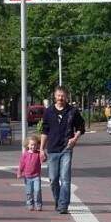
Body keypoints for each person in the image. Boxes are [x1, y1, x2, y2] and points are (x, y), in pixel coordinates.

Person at [40, 86, 85, 214]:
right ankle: (58, 200)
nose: (61, 98)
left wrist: (75, 138)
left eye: (63, 96)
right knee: (53, 179)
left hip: (66, 148)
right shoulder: (48, 112)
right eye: (59, 95)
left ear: (67, 97)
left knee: (65, 178)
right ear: (55, 96)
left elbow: (81, 127)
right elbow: (44, 131)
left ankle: (63, 205)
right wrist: (41, 149)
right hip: (52, 149)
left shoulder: (72, 111)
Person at [17, 135, 43, 211]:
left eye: (35, 145)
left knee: (37, 190)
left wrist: (43, 153)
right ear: (28, 145)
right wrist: (19, 172)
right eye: (31, 145)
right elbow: (22, 164)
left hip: (36, 176)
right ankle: (30, 203)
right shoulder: (25, 154)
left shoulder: (38, 153)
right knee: (29, 191)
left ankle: (38, 204)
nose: (33, 146)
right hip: (27, 176)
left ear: (37, 145)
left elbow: (44, 159)